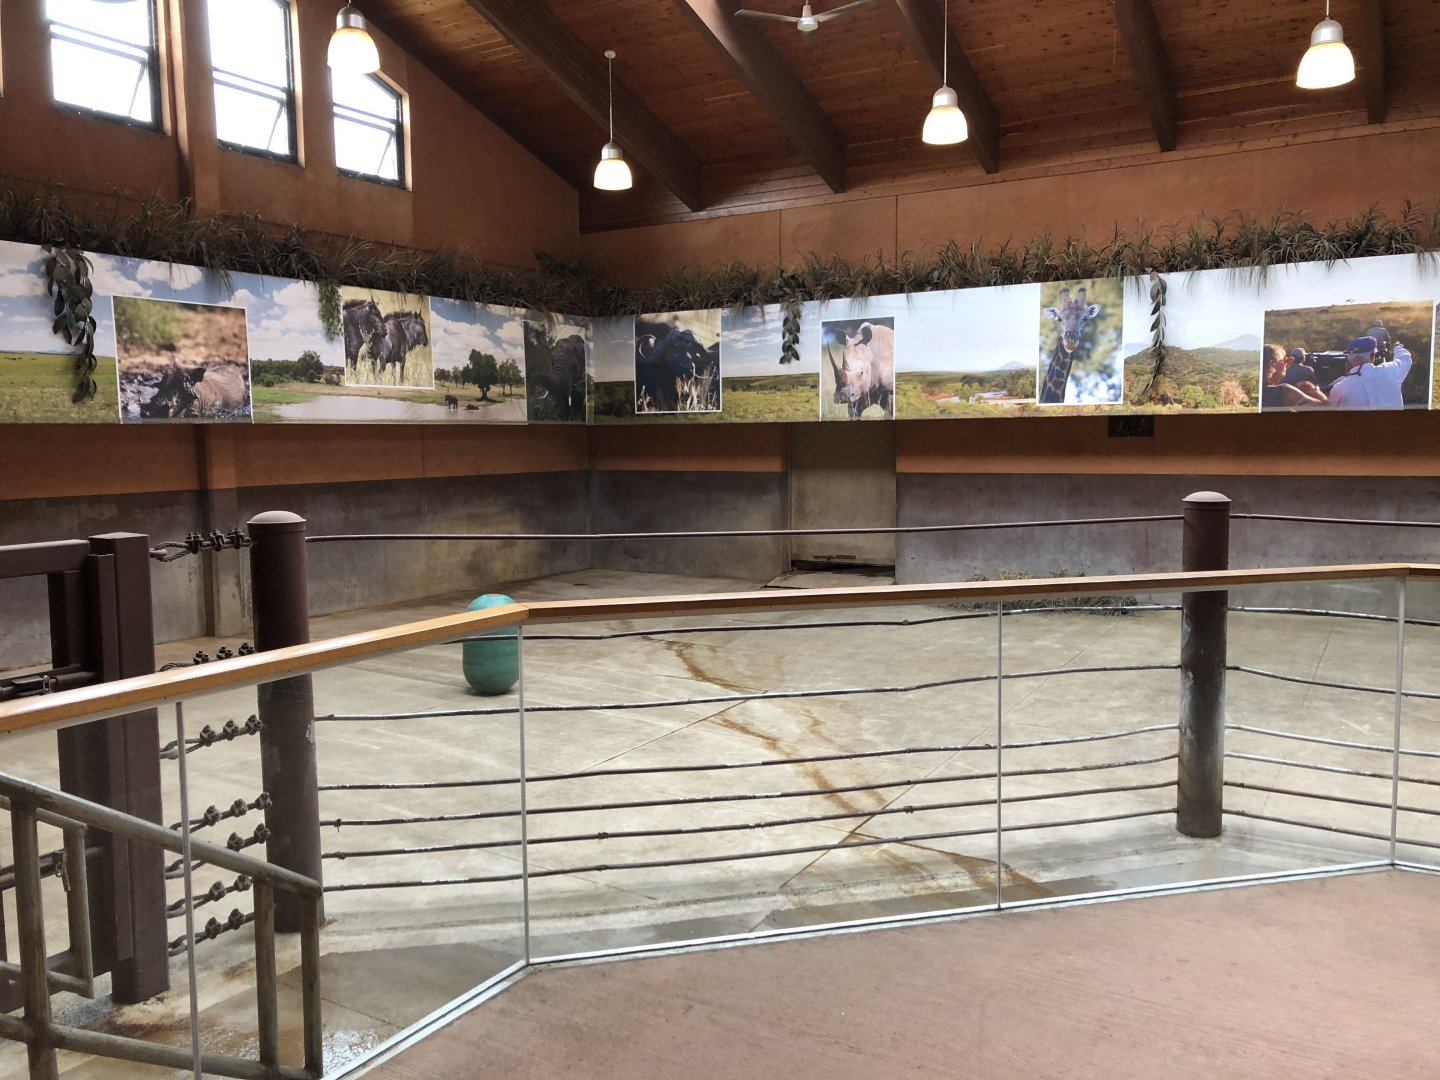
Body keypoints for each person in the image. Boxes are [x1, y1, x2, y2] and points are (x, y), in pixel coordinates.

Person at [1325, 334, 1412, 409]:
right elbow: (1405, 359)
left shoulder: (1339, 388)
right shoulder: (1390, 371)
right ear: (1372, 355)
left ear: (1349, 359)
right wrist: (1398, 347)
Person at [1261, 344, 1326, 409]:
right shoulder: (1283, 391)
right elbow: (1325, 407)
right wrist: (1315, 391)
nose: (1285, 364)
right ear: (1272, 364)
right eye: (1283, 360)